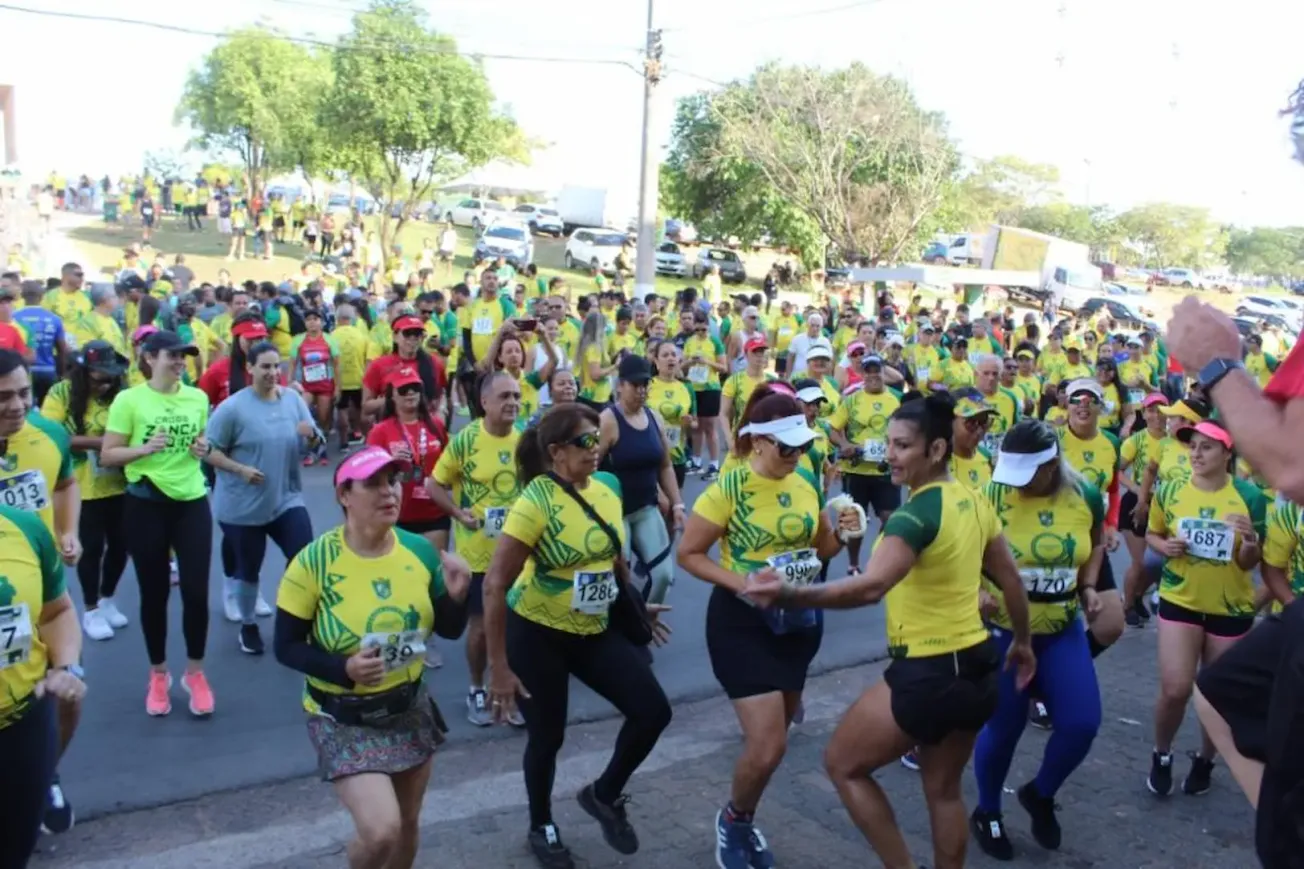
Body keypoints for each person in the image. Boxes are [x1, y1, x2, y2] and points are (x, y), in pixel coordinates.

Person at [741, 392, 1036, 869]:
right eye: (888, 444)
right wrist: (1022, 643)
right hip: (979, 667)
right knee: (944, 794)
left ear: (936, 450)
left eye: (901, 446)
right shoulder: (973, 501)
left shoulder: (913, 516)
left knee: (843, 765)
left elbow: (871, 587)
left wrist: (791, 594)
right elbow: (1011, 581)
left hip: (930, 673)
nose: (889, 456)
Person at [482, 403, 672, 869]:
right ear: (556, 453)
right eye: (586, 441)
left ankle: (604, 794)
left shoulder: (607, 489)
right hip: (536, 633)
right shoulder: (536, 502)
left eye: (599, 439)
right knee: (547, 738)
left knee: (652, 712)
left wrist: (632, 604)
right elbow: (494, 583)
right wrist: (500, 667)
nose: (596, 449)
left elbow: (613, 559)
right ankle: (541, 825)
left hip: (594, 626)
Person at [678, 389, 860, 868]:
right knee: (768, 746)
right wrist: (741, 582)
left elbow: (821, 552)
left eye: (801, 446)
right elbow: (689, 554)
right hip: (742, 623)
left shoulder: (804, 480)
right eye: (787, 447)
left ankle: (744, 814)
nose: (797, 456)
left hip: (799, 621)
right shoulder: (729, 487)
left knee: (773, 745)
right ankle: (734, 821)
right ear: (756, 442)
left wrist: (842, 532)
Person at [273, 446, 470, 869]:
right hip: (343, 718)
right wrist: (343, 669)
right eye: (374, 484)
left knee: (408, 822)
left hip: (407, 707)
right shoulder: (313, 562)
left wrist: (456, 596)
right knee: (381, 831)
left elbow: (448, 630)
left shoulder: (418, 551)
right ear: (345, 495)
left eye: (394, 481)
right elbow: (285, 646)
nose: (390, 493)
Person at [970, 419, 1107, 859]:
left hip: (1061, 627)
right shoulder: (989, 496)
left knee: (1082, 724)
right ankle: (987, 810)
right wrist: (973, 589)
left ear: (1051, 467)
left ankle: (1040, 793)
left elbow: (1096, 541)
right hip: (1004, 632)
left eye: (1027, 475)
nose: (1018, 485)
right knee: (1005, 726)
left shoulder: (1084, 494)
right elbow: (958, 550)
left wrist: (1088, 586)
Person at [1145, 418, 1266, 797]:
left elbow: (1251, 563)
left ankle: (1205, 760)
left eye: (1207, 446)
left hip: (1230, 608)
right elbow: (1153, 533)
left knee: (1216, 696)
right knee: (1176, 688)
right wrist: (1164, 548)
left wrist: (1248, 543)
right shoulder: (1172, 490)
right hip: (1180, 598)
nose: (1196, 453)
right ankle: (1161, 753)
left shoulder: (1250, 496)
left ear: (1227, 454)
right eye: (1192, 445)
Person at [101, 330, 216, 718]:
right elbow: (109, 454)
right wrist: (145, 449)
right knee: (155, 595)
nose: (181, 361)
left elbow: (200, 442)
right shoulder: (129, 400)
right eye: (173, 355)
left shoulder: (197, 397)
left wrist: (202, 448)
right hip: (146, 504)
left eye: (185, 356)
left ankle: (195, 674)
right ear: (149, 358)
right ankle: (158, 674)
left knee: (197, 593)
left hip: (192, 502)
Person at [206, 341, 320, 656]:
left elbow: (313, 441)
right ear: (251, 369)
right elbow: (205, 449)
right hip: (242, 506)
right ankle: (248, 626)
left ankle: (295, 620)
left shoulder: (292, 400)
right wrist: (239, 469)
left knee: (305, 559)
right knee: (249, 570)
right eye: (265, 367)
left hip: (286, 498)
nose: (272, 373)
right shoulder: (232, 408)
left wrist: (311, 438)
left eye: (276, 367)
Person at [428, 372, 523, 727]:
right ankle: (476, 687)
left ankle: (510, 687)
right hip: (478, 556)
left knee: (516, 626)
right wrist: (456, 513)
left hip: (518, 553)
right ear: (484, 402)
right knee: (482, 628)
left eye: (516, 395)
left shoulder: (526, 440)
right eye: (504, 396)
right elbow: (434, 483)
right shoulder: (465, 441)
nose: (512, 402)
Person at [0, 502, 87, 868]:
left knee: (14, 849)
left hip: (22, 722)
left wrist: (65, 666)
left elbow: (57, 612)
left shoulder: (24, 528)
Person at [40, 341, 131, 642]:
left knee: (121, 546)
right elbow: (52, 436)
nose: (105, 384)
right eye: (98, 377)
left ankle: (107, 598)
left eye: (110, 378)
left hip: (118, 482)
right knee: (92, 547)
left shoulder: (120, 394)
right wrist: (100, 443)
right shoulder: (62, 392)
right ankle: (90, 609)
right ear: (84, 372)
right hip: (82, 484)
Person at [597, 355, 685, 606]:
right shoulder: (608, 421)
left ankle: (646, 624)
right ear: (620, 385)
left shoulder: (654, 418)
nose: (641, 390)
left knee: (663, 576)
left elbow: (665, 465)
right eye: (635, 384)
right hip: (615, 513)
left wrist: (677, 504)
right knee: (617, 581)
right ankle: (618, 631)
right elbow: (590, 468)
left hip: (645, 509)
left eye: (645, 384)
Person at [826, 353, 902, 572]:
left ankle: (876, 559)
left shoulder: (895, 399)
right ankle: (853, 564)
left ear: (882, 372)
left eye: (876, 370)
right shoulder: (852, 400)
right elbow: (834, 430)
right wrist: (844, 445)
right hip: (856, 469)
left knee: (890, 520)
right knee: (855, 523)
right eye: (867, 371)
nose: (872, 375)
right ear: (861, 374)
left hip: (885, 470)